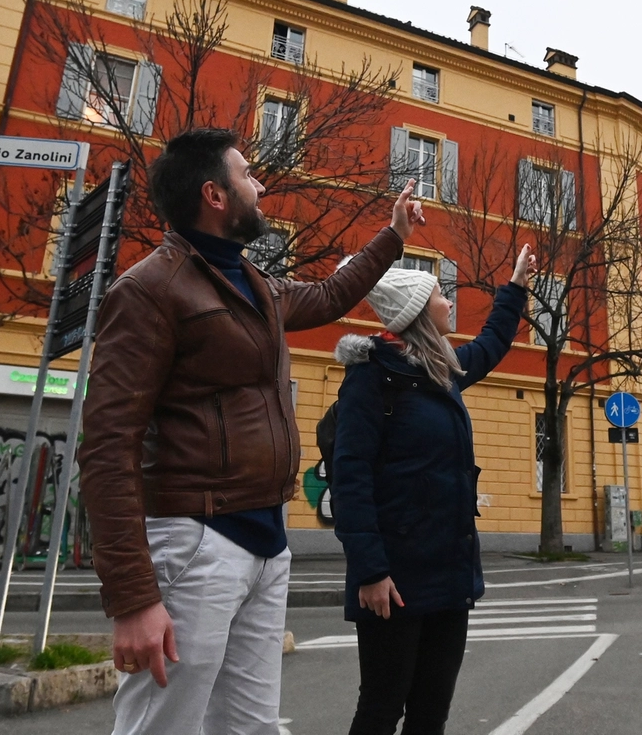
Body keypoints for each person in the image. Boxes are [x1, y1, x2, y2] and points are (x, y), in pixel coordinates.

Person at [77, 126, 427, 735]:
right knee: (163, 727)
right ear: (215, 195)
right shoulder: (148, 290)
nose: (259, 184)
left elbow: (326, 295)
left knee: (250, 729)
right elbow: (107, 445)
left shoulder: (254, 283)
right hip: (194, 541)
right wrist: (132, 597)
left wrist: (393, 236)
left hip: (265, 541)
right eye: (247, 175)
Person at [331, 244, 535, 735]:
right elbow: (350, 478)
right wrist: (371, 570)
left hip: (449, 574)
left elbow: (490, 344)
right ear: (420, 312)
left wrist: (517, 289)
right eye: (441, 294)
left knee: (430, 713)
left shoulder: (442, 373)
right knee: (381, 710)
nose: (449, 301)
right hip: (394, 584)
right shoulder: (371, 380)